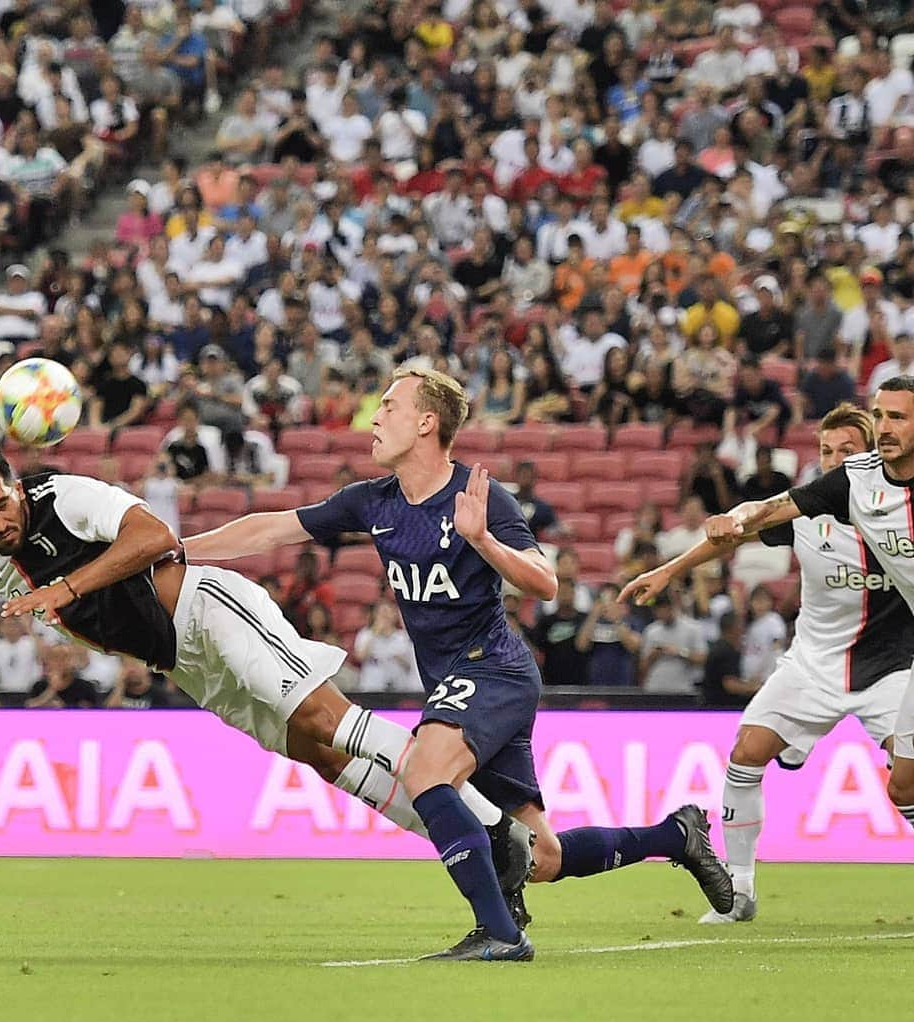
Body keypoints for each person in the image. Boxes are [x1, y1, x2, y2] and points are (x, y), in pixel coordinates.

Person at [0, 440, 536, 957]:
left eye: (1, 504)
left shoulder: (66, 498)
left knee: (328, 718)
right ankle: (473, 840)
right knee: (320, 756)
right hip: (185, 663)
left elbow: (156, 536)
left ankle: (497, 833)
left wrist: (67, 588)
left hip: (208, 607)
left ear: (15, 486)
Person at [181, 368, 733, 958]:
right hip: (457, 683)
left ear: (426, 422)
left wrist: (483, 543)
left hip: (494, 668)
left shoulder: (479, 495)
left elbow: (545, 582)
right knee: (542, 856)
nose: (374, 417)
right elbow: (272, 530)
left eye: (389, 406)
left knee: (423, 772)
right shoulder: (373, 501)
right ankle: (677, 835)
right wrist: (176, 551)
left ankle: (499, 934)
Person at [624, 402, 913, 921]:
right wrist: (669, 571)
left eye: (847, 451)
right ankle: (739, 891)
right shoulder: (806, 513)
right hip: (813, 663)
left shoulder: (894, 512)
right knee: (746, 751)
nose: (833, 460)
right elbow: (740, 526)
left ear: (869, 457)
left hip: (891, 667)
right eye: (826, 450)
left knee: (909, 778)